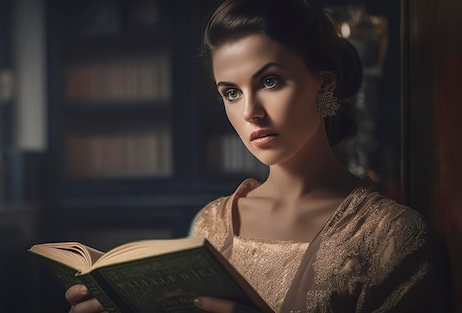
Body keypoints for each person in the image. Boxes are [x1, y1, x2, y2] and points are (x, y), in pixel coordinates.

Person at [64, 0, 447, 312]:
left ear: (324, 82)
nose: (250, 111)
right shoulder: (211, 225)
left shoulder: (392, 237)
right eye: (231, 92)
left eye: (269, 81)